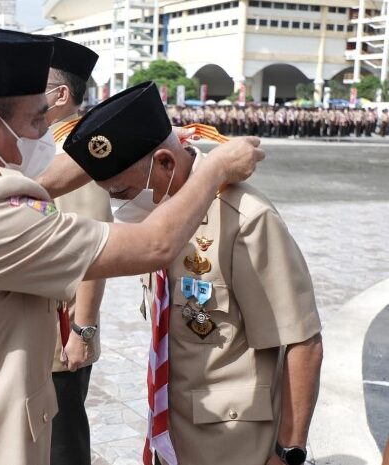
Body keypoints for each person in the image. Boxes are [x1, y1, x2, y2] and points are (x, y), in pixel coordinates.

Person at [0, 28, 263, 465]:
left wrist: (133, 136)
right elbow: (153, 245)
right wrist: (215, 169)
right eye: (38, 120)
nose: (45, 130)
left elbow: (21, 186)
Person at [63, 81, 323, 465]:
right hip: (171, 432)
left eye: (123, 192)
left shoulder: (244, 220)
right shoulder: (158, 214)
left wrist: (288, 452)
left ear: (166, 163)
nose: (118, 204)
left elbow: (303, 342)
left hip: (234, 442)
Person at [39, 37, 110, 465]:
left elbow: (93, 250)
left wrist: (82, 331)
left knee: (62, 443)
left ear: (61, 95)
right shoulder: (46, 146)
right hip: (38, 324)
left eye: (35, 85)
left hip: (61, 332)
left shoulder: (77, 152)